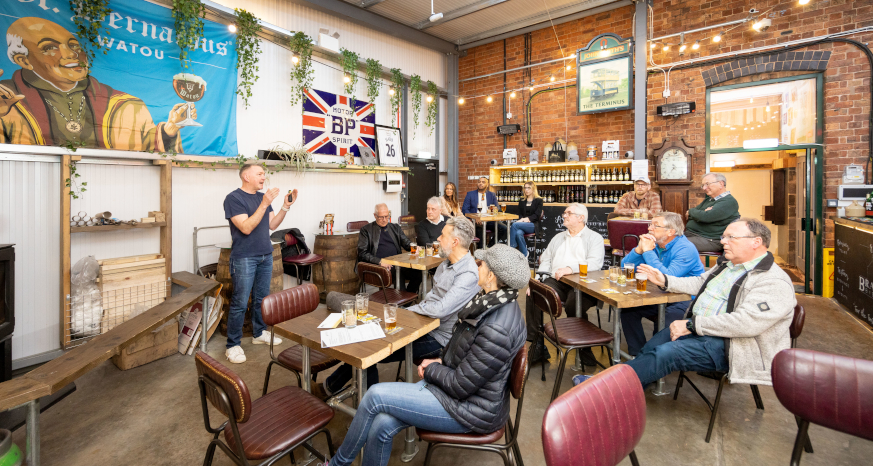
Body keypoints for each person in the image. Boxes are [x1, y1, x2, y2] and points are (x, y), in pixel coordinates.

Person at [323, 244, 528, 466]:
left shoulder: (496, 327)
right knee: (382, 423)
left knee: (374, 395)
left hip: (471, 410)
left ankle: (337, 464)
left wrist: (432, 369)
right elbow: (467, 355)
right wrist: (440, 360)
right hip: (465, 396)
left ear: (492, 276)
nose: (476, 267)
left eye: (481, 264)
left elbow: (461, 386)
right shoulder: (493, 303)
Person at [576, 218, 795, 388]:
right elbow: (700, 282)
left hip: (732, 346)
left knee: (665, 353)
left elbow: (746, 323)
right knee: (652, 347)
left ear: (756, 242)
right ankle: (624, 383)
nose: (722, 241)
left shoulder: (773, 280)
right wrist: (664, 280)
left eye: (731, 238)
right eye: (724, 236)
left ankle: (602, 390)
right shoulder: (727, 266)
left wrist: (690, 325)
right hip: (703, 331)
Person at [324, 216, 480, 396]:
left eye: (442, 235)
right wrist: (410, 313)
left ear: (455, 241)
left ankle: (355, 398)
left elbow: (441, 309)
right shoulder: (446, 263)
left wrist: (409, 310)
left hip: (440, 338)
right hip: (423, 323)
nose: (438, 239)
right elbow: (431, 297)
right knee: (369, 340)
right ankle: (335, 388)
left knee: (374, 349)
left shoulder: (468, 273)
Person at [0, 17, 194, 151]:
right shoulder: (6, 100)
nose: (71, 54)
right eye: (50, 48)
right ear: (23, 60)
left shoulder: (126, 104)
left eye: (73, 45)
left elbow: (148, 148)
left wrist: (169, 130)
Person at [222, 164, 296, 363]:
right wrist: (264, 203)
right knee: (239, 301)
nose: (264, 177)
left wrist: (285, 206)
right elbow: (245, 228)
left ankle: (259, 333)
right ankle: (233, 345)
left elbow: (272, 225)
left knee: (261, 299)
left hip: (265, 255)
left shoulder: (263, 198)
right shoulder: (234, 198)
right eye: (260, 173)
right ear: (246, 176)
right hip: (244, 257)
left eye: (265, 174)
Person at [526, 203, 605, 366]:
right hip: (557, 281)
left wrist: (570, 269)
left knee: (573, 304)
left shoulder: (594, 238)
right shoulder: (558, 237)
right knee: (534, 294)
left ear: (581, 218)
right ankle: (537, 345)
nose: (564, 215)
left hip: (583, 284)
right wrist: (538, 280)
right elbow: (546, 259)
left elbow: (595, 263)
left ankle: (584, 348)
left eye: (569, 213)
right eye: (564, 213)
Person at [618, 212, 705, 355]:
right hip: (661, 294)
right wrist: (639, 250)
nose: (649, 228)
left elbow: (667, 277)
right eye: (650, 224)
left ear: (671, 231)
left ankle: (655, 359)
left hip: (685, 299)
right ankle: (639, 355)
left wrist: (648, 251)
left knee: (666, 319)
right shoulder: (657, 245)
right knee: (628, 310)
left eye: (655, 225)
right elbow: (625, 266)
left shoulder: (685, 248)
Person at [357, 203, 421, 293]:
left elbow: (406, 243)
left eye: (386, 216)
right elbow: (362, 253)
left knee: (419, 273)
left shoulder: (395, 228)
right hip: (379, 266)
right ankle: (402, 301)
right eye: (381, 217)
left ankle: (406, 300)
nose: (384, 220)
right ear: (375, 215)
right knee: (398, 273)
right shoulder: (366, 230)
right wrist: (379, 261)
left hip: (397, 263)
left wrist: (414, 247)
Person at [685, 173, 740, 253]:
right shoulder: (709, 200)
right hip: (694, 234)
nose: (704, 188)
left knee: (676, 244)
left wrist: (693, 212)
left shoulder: (729, 201)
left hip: (711, 240)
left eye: (707, 184)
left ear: (721, 184)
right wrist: (700, 214)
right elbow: (690, 216)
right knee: (666, 238)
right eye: (703, 185)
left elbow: (705, 217)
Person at [461, 176, 504, 245]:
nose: (480, 183)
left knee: (504, 228)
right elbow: (465, 209)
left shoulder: (492, 195)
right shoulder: (470, 194)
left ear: (487, 185)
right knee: (479, 230)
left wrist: (495, 209)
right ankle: (480, 250)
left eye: (483, 182)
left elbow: (498, 208)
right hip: (476, 221)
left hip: (489, 220)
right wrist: (475, 218)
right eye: (479, 182)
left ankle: (489, 247)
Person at [509, 181, 544, 258]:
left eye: (529, 188)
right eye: (525, 188)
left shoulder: (539, 200)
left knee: (514, 225)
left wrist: (526, 219)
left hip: (533, 225)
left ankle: (511, 250)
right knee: (518, 233)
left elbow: (537, 215)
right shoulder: (522, 201)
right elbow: (519, 214)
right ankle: (525, 254)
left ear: (533, 189)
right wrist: (522, 220)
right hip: (522, 225)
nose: (526, 190)